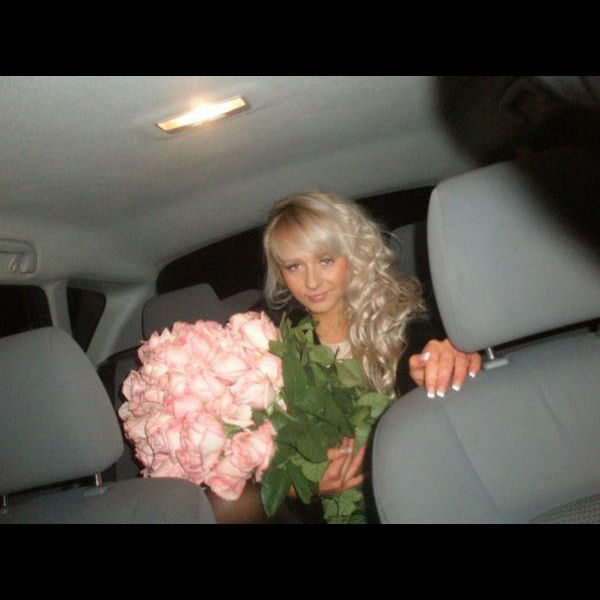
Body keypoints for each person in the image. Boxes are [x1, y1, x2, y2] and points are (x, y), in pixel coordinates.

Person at [260, 191, 482, 505]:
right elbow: (263, 464)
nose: (312, 282)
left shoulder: (401, 312)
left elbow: (420, 348)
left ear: (352, 254)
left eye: (325, 260)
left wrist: (438, 361)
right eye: (294, 266)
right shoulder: (271, 342)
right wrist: (304, 484)